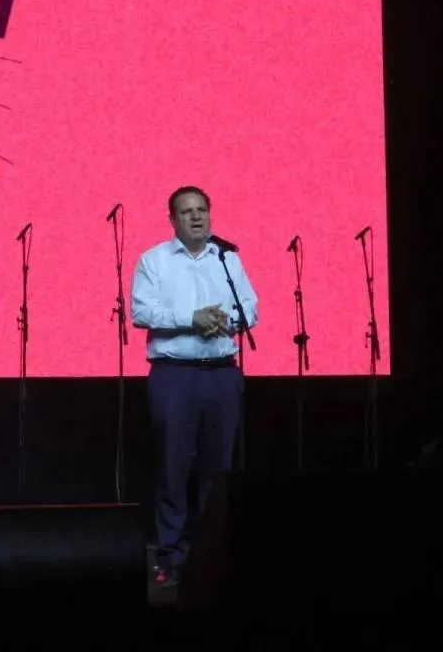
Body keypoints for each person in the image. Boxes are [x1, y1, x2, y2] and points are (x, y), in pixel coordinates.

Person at [131, 186, 258, 588]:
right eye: (187, 212)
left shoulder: (227, 258)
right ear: (173, 220)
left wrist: (227, 320)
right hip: (175, 374)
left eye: (202, 209)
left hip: (221, 373)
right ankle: (171, 557)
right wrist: (192, 319)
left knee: (217, 470)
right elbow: (141, 311)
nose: (197, 217)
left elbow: (250, 307)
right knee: (174, 466)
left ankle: (211, 557)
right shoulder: (154, 260)